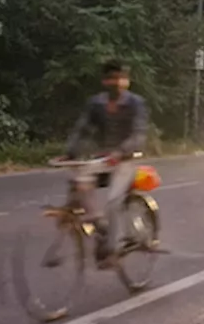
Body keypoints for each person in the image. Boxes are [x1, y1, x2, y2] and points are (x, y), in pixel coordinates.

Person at [61, 60, 149, 265]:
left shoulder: (136, 103)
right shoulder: (95, 104)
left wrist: (120, 152)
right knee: (80, 182)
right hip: (103, 158)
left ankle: (113, 248)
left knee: (113, 202)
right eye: (112, 78)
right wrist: (70, 153)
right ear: (104, 81)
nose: (116, 83)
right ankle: (100, 224)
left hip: (126, 160)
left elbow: (139, 135)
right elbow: (82, 129)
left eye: (121, 78)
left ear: (127, 81)